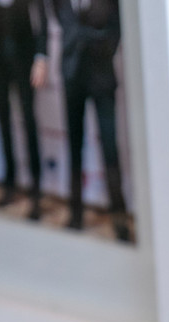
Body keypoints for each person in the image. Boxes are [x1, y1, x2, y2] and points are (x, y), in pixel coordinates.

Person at [51, 0, 129, 241]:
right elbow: (63, 20)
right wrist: (83, 38)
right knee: (74, 146)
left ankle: (119, 216)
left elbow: (116, 29)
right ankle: (76, 213)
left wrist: (95, 43)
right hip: (72, 73)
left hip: (101, 75)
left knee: (109, 146)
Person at [0, 0, 48, 220]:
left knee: (29, 120)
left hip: (23, 56)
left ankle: (36, 188)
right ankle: (10, 183)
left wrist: (41, 56)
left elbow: (41, 19)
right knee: (2, 119)